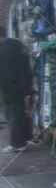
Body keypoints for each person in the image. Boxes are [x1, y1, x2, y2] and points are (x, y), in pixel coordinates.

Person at [0, 25, 34, 153]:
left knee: (14, 116)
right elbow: (25, 66)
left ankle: (16, 143)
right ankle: (23, 140)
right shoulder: (17, 44)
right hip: (23, 86)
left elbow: (6, 72)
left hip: (12, 88)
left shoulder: (5, 50)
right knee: (21, 114)